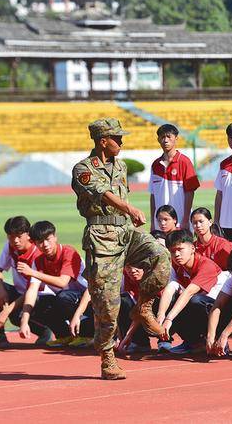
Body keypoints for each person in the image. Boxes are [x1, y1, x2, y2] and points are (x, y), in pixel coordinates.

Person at [71, 117, 170, 380]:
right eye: (117, 138)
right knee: (108, 305)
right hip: (101, 238)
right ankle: (107, 358)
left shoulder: (121, 165)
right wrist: (129, 208)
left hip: (126, 232)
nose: (122, 142)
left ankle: (144, 307)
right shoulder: (83, 168)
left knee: (161, 256)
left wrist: (128, 214)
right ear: (103, 141)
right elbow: (102, 194)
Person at [0, 216, 46, 349]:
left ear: (28, 235)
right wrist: (0, 288)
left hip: (39, 296)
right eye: (10, 236)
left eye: (19, 236)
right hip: (20, 294)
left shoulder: (37, 253)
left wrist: (6, 311)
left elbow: (32, 290)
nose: (15, 240)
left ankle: (45, 330)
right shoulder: (10, 247)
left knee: (16, 315)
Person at [157, 230, 230, 354]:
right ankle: (193, 341)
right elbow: (171, 287)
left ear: (192, 248)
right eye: (173, 251)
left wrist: (169, 319)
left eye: (180, 249)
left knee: (194, 301)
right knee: (164, 302)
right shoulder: (177, 266)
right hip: (200, 307)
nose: (177, 254)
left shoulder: (206, 265)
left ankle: (218, 340)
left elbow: (189, 292)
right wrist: (161, 316)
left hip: (221, 311)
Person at [17, 220, 89, 348]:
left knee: (64, 297)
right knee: (40, 302)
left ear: (55, 237)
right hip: (67, 298)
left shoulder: (69, 252)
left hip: (89, 298)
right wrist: (24, 320)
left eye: (48, 239)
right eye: (40, 242)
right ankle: (64, 335)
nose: (45, 245)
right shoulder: (39, 261)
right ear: (35, 243)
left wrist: (33, 272)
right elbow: (32, 291)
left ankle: (87, 334)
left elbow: (62, 282)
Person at [149, 124, 200, 231]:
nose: (165, 140)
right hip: (161, 223)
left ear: (176, 139)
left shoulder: (184, 162)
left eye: (169, 137)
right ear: (158, 139)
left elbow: (190, 192)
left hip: (180, 222)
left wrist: (186, 219)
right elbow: (153, 195)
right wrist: (153, 222)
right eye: (162, 137)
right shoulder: (155, 165)